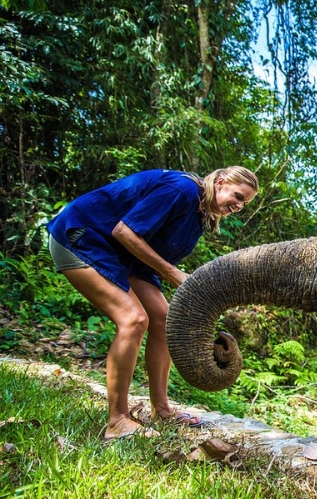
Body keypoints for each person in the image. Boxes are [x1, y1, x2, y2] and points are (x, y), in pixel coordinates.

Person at [47, 167, 259, 441]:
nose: (240, 205)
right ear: (219, 182)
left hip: (122, 257)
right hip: (81, 238)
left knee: (164, 320)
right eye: (238, 195)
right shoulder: (181, 191)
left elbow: (152, 253)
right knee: (133, 319)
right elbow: (124, 231)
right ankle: (117, 421)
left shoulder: (200, 214)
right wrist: (173, 274)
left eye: (245, 203)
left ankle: (161, 410)